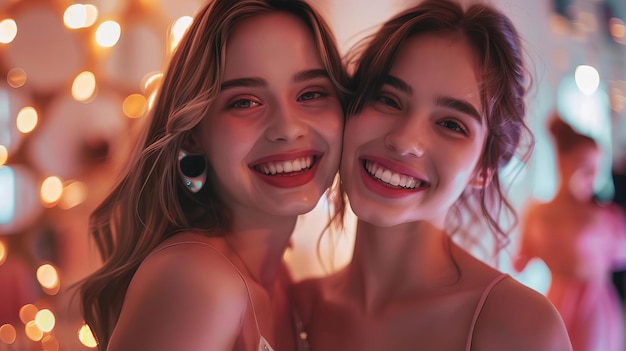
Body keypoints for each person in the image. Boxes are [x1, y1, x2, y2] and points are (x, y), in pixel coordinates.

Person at [293, 1, 573, 350]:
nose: (404, 140)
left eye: (451, 124)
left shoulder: (520, 327)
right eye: (388, 99)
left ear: (484, 168)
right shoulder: (297, 307)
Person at [78, 0, 348, 350]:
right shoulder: (197, 279)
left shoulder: (279, 280)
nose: (288, 127)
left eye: (311, 94)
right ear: (193, 134)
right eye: (245, 101)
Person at [515, 115, 626, 351]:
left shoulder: (605, 215)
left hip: (594, 306)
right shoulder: (536, 211)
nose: (592, 175)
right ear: (562, 162)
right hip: (556, 301)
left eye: (597, 167)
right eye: (584, 164)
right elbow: (519, 262)